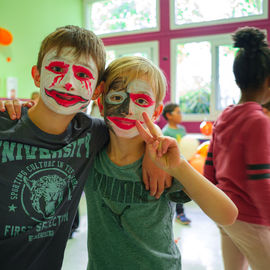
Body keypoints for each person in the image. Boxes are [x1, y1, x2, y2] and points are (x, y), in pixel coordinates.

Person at [0, 26, 167, 270]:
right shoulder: (5, 127)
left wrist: (155, 150)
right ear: (36, 75)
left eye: (82, 75)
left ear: (96, 91)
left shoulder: (94, 133)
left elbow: (134, 129)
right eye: (56, 69)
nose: (68, 83)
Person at [84, 56, 238, 269]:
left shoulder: (164, 159)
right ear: (101, 104)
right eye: (117, 97)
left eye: (141, 101)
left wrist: (179, 167)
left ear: (156, 112)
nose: (128, 110)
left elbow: (228, 215)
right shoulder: (90, 150)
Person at [204, 26, 270, 270]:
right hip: (250, 218)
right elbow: (259, 179)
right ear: (268, 81)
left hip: (225, 213)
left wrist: (211, 206)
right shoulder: (258, 121)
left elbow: (209, 167)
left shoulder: (225, 115)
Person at [162, 102, 191, 225]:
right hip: (172, 166)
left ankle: (180, 213)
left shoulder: (182, 129)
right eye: (178, 112)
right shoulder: (165, 131)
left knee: (182, 189)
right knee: (175, 189)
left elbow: (187, 146)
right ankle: (179, 213)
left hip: (183, 163)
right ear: (169, 115)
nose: (181, 115)